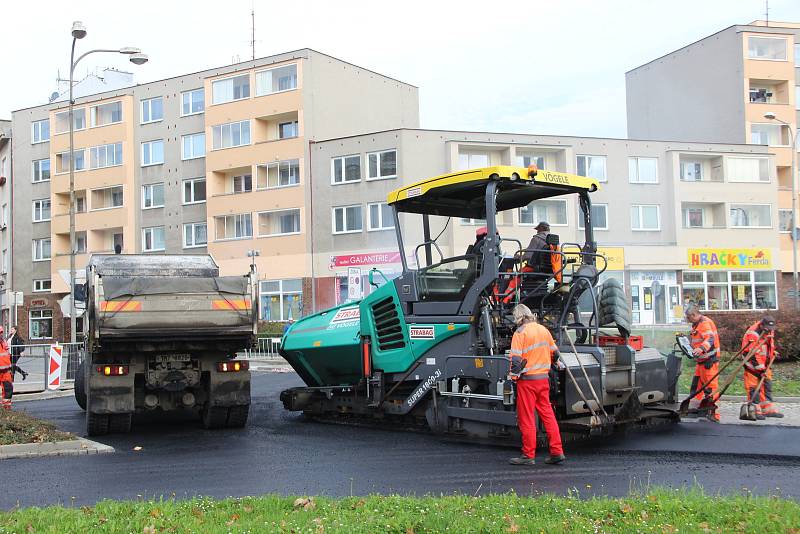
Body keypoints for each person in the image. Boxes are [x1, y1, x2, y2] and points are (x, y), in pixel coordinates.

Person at [508, 304, 565, 466]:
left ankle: (528, 455)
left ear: (518, 317)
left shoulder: (520, 333)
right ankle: (557, 452)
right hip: (543, 379)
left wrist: (512, 377)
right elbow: (555, 353)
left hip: (527, 382)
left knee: (527, 418)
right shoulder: (543, 330)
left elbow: (517, 361)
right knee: (548, 415)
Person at [742, 315, 783, 419]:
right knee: (753, 388)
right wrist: (760, 369)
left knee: (767, 385)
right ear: (761, 325)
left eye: (771, 329)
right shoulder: (753, 333)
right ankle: (754, 410)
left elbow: (767, 345)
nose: (769, 331)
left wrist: (772, 352)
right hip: (752, 364)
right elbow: (753, 353)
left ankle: (767, 409)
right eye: (767, 328)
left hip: (764, 364)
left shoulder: (769, 330)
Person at [685, 305, 720, 422]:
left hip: (709, 361)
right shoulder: (696, 324)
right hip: (701, 362)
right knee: (696, 388)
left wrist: (701, 349)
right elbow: (696, 339)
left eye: (688, 318)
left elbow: (709, 339)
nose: (687, 320)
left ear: (694, 315)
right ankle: (697, 410)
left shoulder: (704, 323)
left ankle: (714, 413)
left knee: (711, 388)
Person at [0, 327, 13, 410]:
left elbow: (7, 354)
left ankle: (6, 409)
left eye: (1, 332)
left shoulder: (3, 341)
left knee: (8, 390)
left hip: (6, 371)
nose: (0, 334)